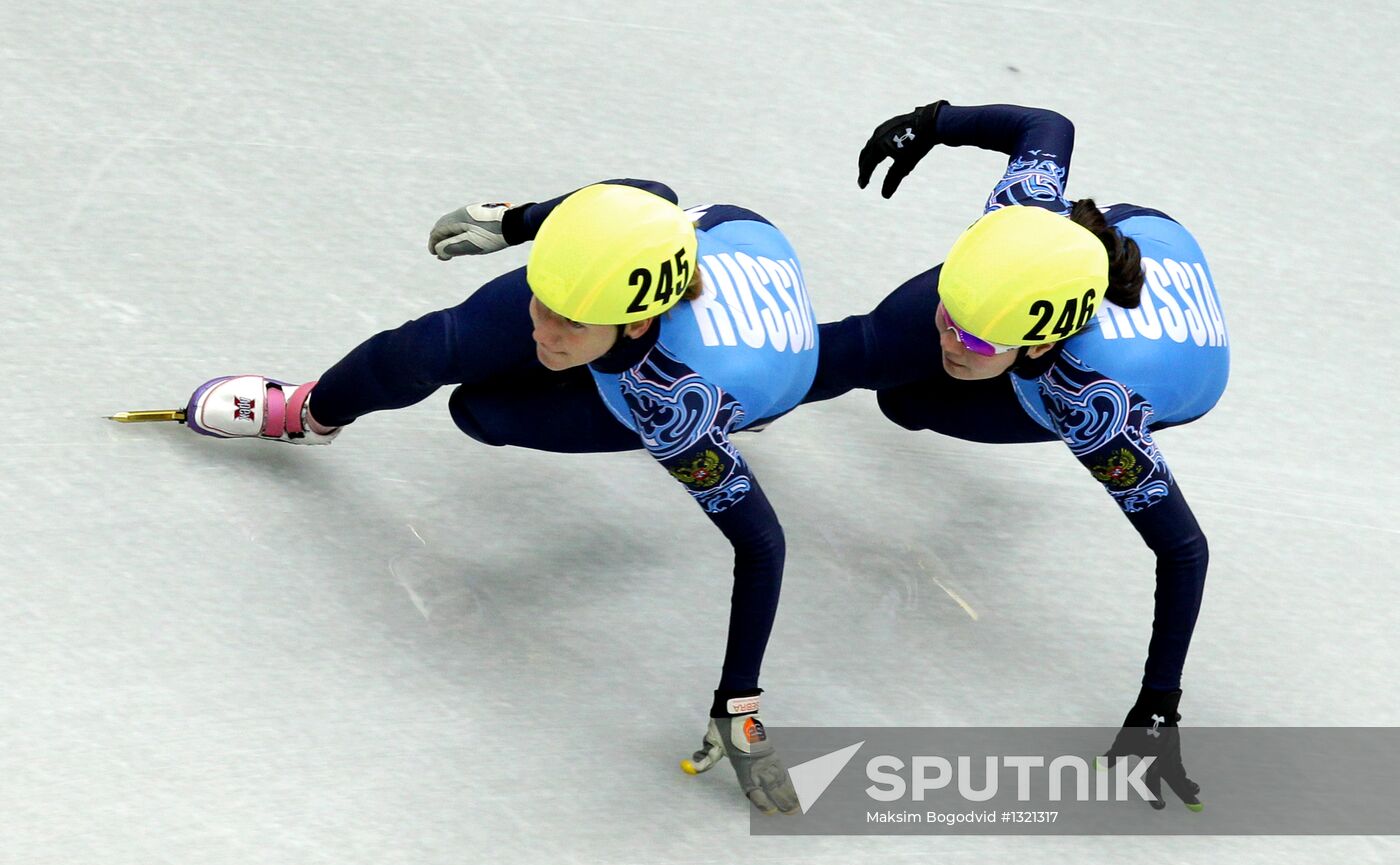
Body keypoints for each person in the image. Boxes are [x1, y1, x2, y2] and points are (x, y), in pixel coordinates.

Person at [184, 180, 819, 814]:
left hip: (744, 371)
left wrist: (740, 704)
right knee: (436, 346)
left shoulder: (677, 410)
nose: (543, 329)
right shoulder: (593, 293)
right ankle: (308, 413)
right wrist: (519, 223)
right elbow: (642, 197)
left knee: (483, 411)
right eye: (543, 301)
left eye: (568, 320)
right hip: (732, 231)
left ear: (639, 321)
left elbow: (762, 544)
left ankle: (738, 411)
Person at [807, 101, 1229, 810]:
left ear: (1035, 346)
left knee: (908, 402)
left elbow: (1184, 550)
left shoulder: (1095, 404)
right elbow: (1048, 127)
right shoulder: (1023, 220)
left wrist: (1159, 706)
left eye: (973, 341)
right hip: (1110, 243)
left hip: (1157, 367)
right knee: (872, 348)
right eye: (952, 315)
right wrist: (933, 122)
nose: (949, 338)